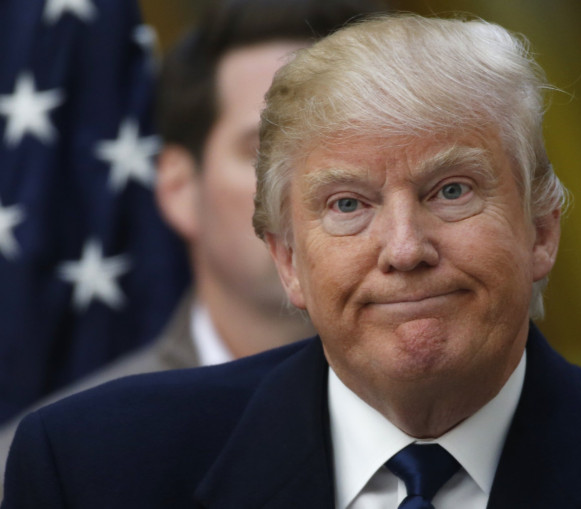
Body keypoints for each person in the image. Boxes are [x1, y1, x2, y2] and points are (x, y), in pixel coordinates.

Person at [4, 13, 581, 508]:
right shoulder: (94, 468)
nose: (406, 248)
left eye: (451, 190)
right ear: (287, 259)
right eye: (348, 204)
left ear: (542, 230)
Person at [0, 0, 385, 498]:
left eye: (349, 148)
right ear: (179, 188)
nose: (320, 186)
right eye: (266, 150)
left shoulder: (472, 409)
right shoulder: (60, 464)